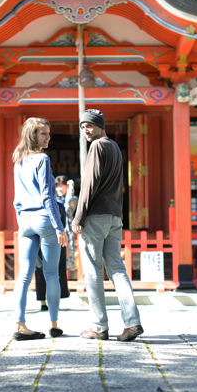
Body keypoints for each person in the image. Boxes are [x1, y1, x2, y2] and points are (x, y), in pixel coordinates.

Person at [73, 109, 143, 342]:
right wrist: (119, 216)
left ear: (101, 126)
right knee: (117, 269)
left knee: (92, 270)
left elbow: (89, 184)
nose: (86, 130)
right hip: (114, 216)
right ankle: (132, 322)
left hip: (96, 216)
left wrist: (78, 217)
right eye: (83, 126)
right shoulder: (115, 148)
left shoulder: (97, 146)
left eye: (90, 125)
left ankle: (99, 326)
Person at [13, 117, 68, 341]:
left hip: (24, 219)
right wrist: (60, 227)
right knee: (52, 273)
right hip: (44, 219)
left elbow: (16, 198)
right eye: (43, 133)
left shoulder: (18, 160)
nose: (48, 137)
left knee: (23, 276)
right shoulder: (42, 159)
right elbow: (48, 196)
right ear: (32, 135)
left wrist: (20, 219)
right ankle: (54, 325)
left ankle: (20, 324)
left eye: (48, 133)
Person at [35, 175, 71, 310]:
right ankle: (52, 301)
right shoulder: (58, 205)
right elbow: (62, 226)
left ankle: (45, 302)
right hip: (56, 240)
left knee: (43, 270)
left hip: (43, 240)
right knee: (55, 270)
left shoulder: (37, 204)